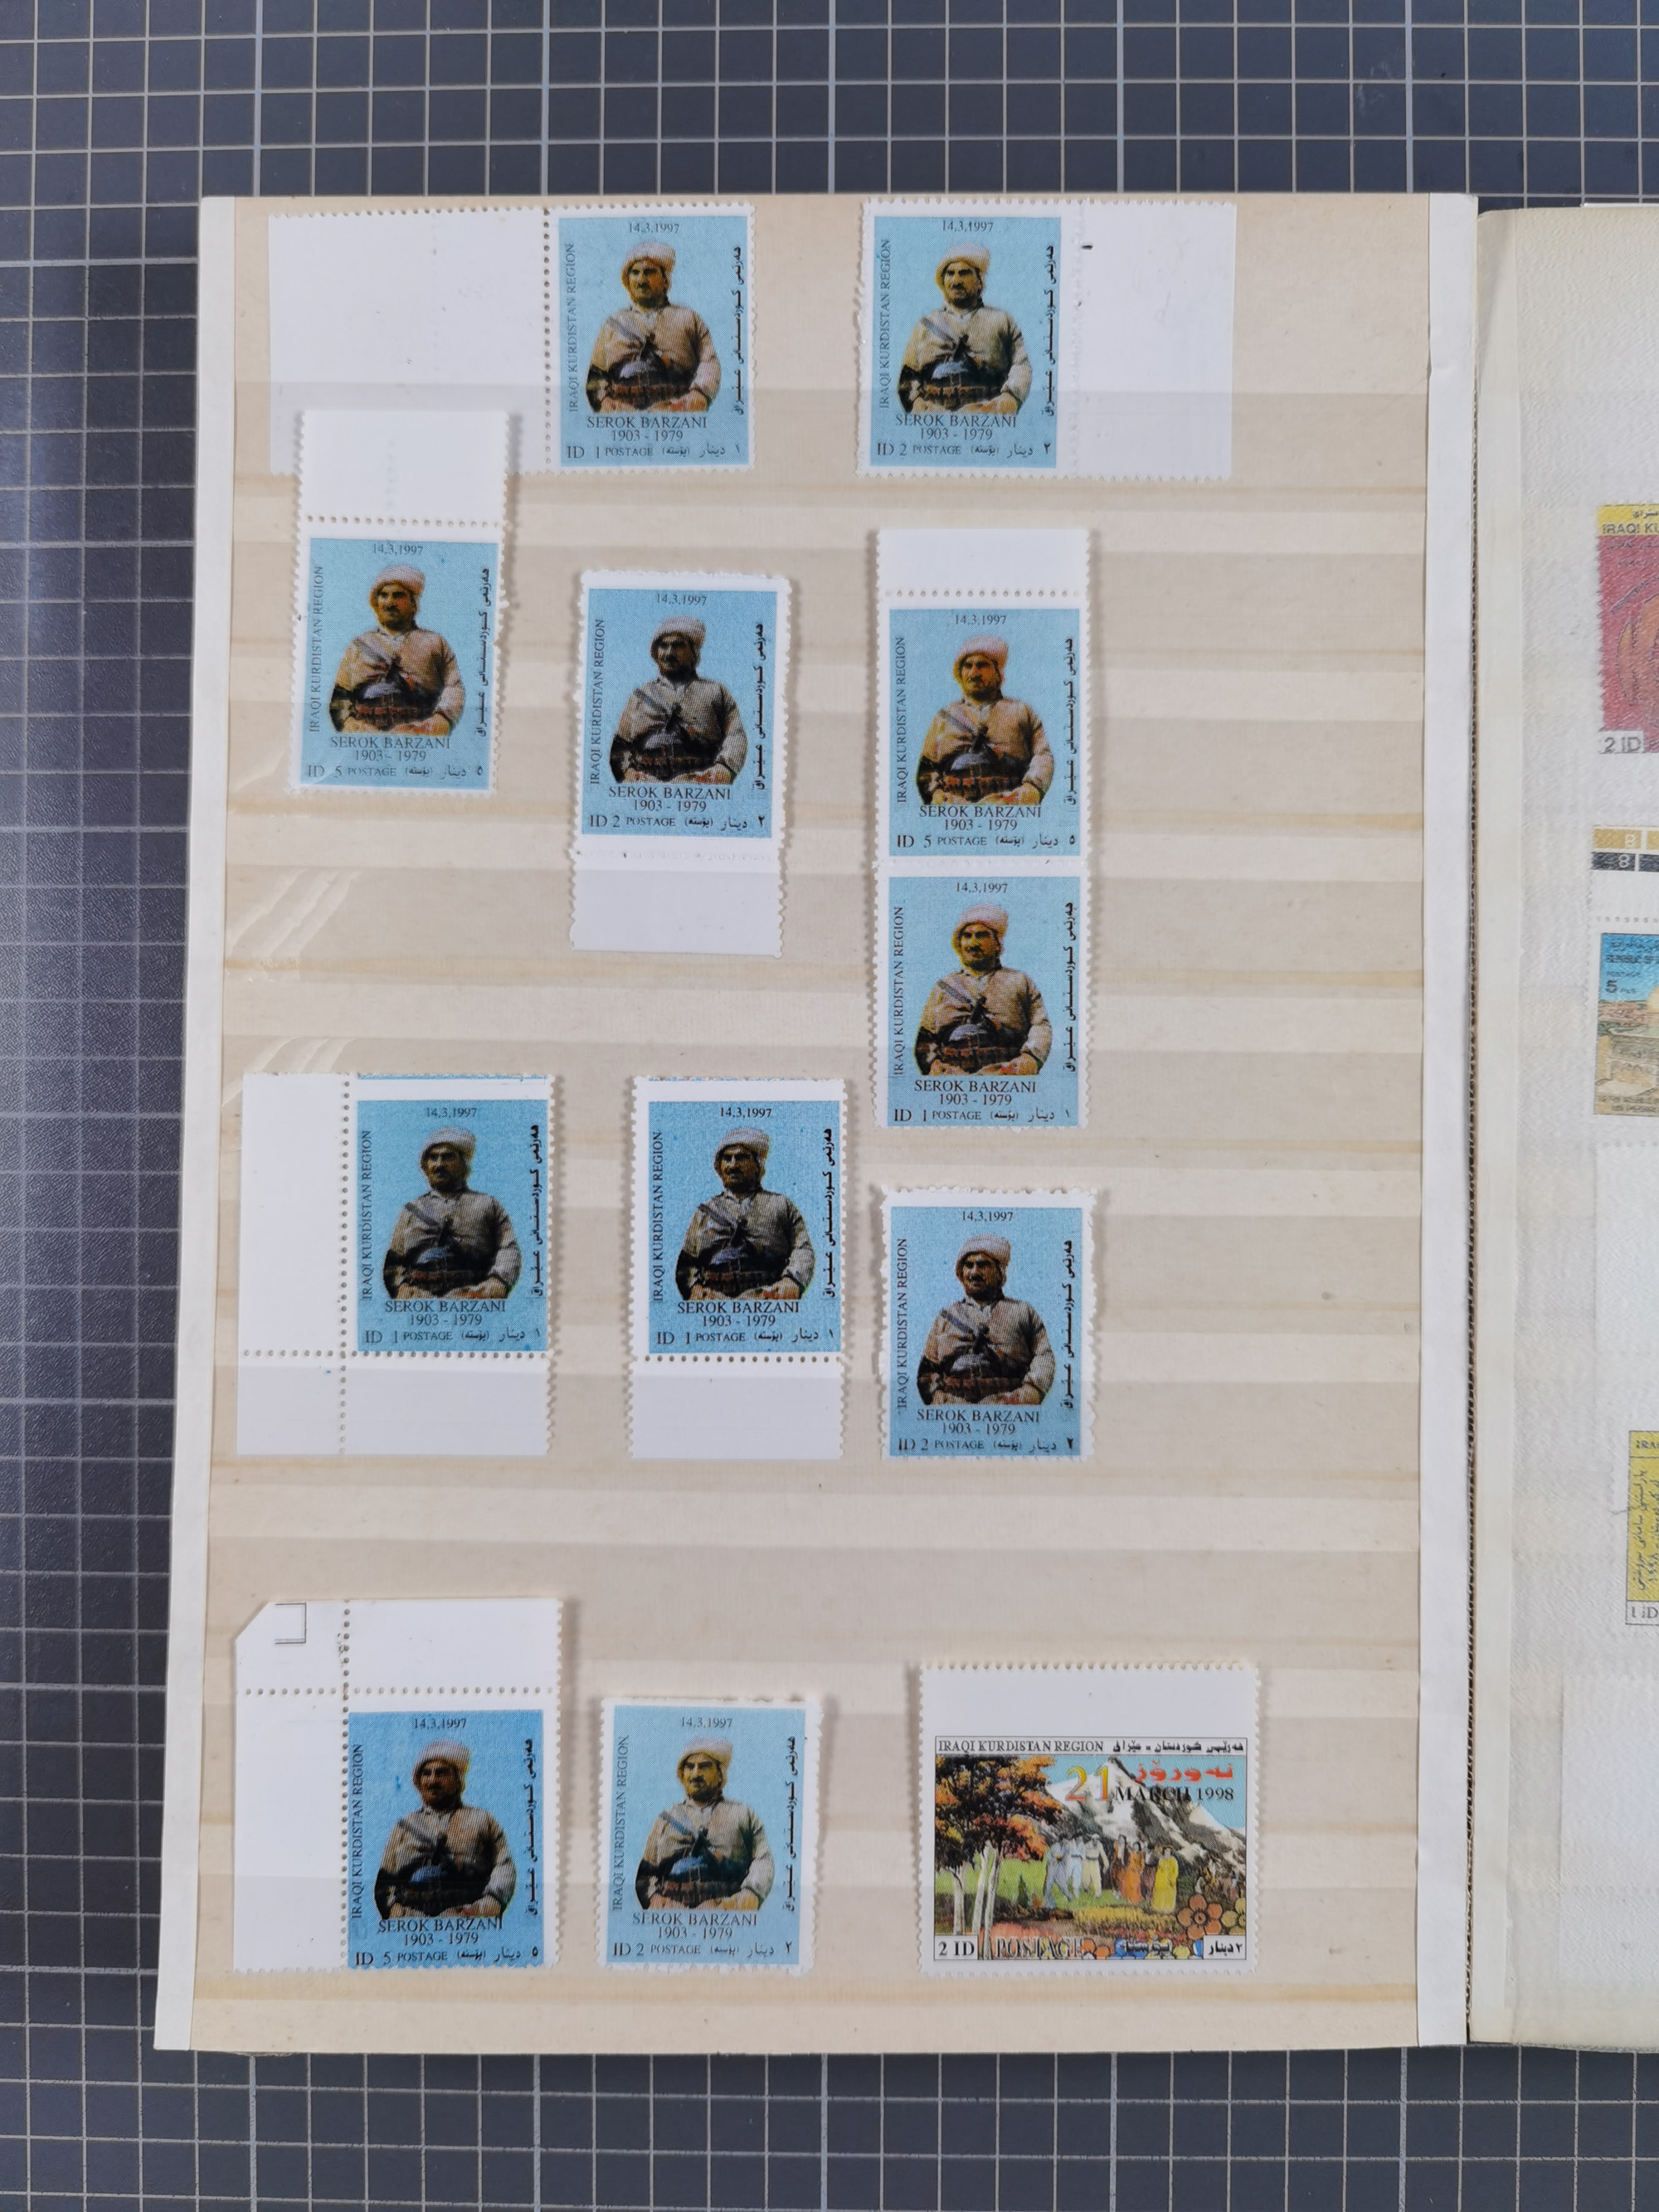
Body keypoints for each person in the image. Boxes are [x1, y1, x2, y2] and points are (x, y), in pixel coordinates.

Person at [373, 1739, 516, 1920]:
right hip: (413, 1923)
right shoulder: (403, 1827)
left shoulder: (483, 1820)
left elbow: (504, 1866)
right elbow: (385, 1882)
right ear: (419, 1781)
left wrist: (486, 1906)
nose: (433, 1781)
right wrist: (400, 1914)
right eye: (426, 1774)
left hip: (468, 1922)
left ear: (458, 1780)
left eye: (441, 1773)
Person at [916, 1232, 1055, 1407]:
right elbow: (927, 1371)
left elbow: (1044, 1356)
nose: (974, 1272)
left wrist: (1031, 1391)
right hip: (953, 1408)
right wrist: (938, 1398)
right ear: (961, 1272)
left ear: (999, 1272)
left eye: (983, 1265)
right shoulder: (945, 1317)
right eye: (969, 1265)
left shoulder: (1023, 1312)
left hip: (1009, 1407)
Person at [382, 1127, 522, 1301]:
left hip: (474, 1299)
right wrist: (401, 1288)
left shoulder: (488, 1205)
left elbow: (508, 1248)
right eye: (433, 1158)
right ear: (425, 1166)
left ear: (464, 1164)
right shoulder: (410, 1211)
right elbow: (394, 1262)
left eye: (447, 1157)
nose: (439, 1165)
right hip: (420, 1302)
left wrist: (498, 1282)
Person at [913, 902, 1052, 1077]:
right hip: (953, 1077)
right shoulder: (943, 987)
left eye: (981, 935)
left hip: (1007, 1075)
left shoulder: (1020, 981)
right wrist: (933, 1064)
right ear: (959, 943)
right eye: (967, 936)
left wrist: (1031, 1058)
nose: (973, 943)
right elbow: (926, 1037)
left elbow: (1040, 1025)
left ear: (997, 944)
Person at [635, 1738, 774, 1913]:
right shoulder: (665, 1819)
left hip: (726, 1910)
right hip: (672, 1912)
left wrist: (749, 1894)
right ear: (682, 1774)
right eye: (689, 1767)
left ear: (720, 1773)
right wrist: (655, 1899)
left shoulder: (743, 1814)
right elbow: (646, 1872)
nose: (696, 1774)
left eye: (704, 1766)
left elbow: (763, 1860)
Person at [915, 634, 1053, 809]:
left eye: (982, 665)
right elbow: (926, 769)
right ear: (960, 673)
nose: (974, 673)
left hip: (1009, 807)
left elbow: (1043, 755)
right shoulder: (943, 718)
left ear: (997, 672)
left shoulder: (1022, 712)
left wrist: (1033, 787)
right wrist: (936, 794)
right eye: (968, 666)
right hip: (955, 810)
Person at [676, 1126, 815, 1301]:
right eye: (727, 1159)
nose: (733, 1165)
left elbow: (803, 1248)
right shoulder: (704, 1212)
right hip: (714, 1302)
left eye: (741, 1158)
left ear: (757, 1164)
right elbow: (686, 1264)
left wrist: (792, 1281)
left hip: (768, 1299)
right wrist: (694, 1288)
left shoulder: (781, 1205)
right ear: (719, 1166)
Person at [586, 241, 721, 415]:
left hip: (677, 414)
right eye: (635, 273)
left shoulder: (689, 319)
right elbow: (596, 375)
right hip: (624, 418)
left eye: (649, 272)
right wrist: (604, 401)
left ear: (665, 281)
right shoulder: (612, 324)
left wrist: (700, 394)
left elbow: (709, 362)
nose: (641, 280)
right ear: (628, 280)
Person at [329, 565, 464, 738]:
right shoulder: (359, 646)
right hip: (368, 738)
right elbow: (340, 697)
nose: (389, 603)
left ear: (413, 604)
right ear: (376, 603)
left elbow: (454, 687)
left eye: (398, 595)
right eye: (384, 595)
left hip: (420, 735)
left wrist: (441, 721)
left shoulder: (435, 643)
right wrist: (351, 726)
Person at [608, 618, 748, 785]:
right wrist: (630, 774)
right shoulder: (639, 696)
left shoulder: (716, 692)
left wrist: (724, 768)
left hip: (702, 785)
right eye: (663, 646)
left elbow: (736, 735)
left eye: (678, 645)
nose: (669, 653)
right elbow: (619, 747)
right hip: (647, 787)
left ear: (694, 651)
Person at [898, 246, 1031, 416]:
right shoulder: (925, 326)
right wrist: (916, 404)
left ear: (979, 280)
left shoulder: (1001, 321)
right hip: (935, 417)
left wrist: (1011, 397)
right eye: (950, 273)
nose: (956, 281)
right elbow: (908, 375)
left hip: (987, 415)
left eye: (964, 273)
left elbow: (1021, 364)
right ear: (943, 281)